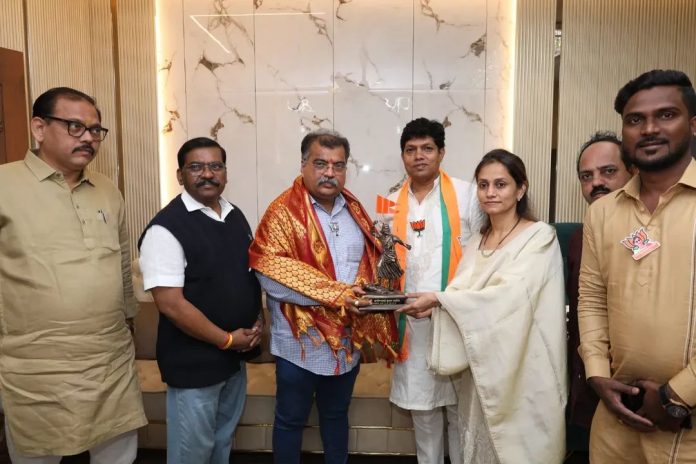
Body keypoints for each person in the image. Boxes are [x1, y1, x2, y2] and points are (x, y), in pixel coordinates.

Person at [0, 87, 147, 462]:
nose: (88, 138)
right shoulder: (5, 185)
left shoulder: (107, 190)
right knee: (38, 453)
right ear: (39, 128)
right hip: (36, 366)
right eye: (75, 126)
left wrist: (129, 319)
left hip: (108, 360)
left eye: (95, 130)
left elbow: (121, 264)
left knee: (118, 454)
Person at [400, 149, 567, 463]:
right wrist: (436, 306)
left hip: (524, 367)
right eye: (483, 185)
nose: (490, 193)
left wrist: (440, 299)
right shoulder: (478, 240)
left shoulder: (539, 237)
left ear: (521, 189)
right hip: (483, 369)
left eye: (500, 184)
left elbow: (511, 297)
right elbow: (463, 293)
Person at [248, 129, 399, 464]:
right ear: (303, 165)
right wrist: (338, 295)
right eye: (321, 164)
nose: (330, 172)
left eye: (338, 165)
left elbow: (368, 267)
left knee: (336, 417)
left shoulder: (356, 212)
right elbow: (270, 275)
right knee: (290, 421)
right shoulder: (281, 213)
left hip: (346, 342)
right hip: (299, 345)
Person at [579, 69, 696, 462]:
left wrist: (677, 394)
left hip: (686, 426)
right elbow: (592, 299)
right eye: (635, 120)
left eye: (666, 115)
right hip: (616, 418)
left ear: (693, 124)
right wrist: (597, 373)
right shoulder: (602, 213)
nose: (648, 129)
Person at [138, 137, 262, 464]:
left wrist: (256, 321)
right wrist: (226, 340)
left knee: (221, 445)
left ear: (225, 173)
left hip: (233, 361)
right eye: (196, 167)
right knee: (192, 454)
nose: (207, 174)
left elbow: (245, 276)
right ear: (180, 175)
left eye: (215, 166)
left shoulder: (233, 214)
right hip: (194, 364)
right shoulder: (165, 229)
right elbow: (171, 305)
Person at [385, 117, 482, 464]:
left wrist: (447, 301)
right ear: (403, 156)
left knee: (460, 413)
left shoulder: (468, 194)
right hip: (412, 324)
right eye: (411, 149)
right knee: (423, 412)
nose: (419, 156)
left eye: (427, 148)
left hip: (456, 318)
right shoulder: (389, 202)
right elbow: (383, 261)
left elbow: (482, 254)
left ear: (441, 152)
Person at [566, 131, 634, 460]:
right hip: (591, 379)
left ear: (632, 172)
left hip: (646, 388)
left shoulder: (653, 231)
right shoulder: (578, 239)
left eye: (608, 172)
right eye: (586, 176)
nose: (597, 183)